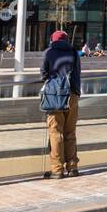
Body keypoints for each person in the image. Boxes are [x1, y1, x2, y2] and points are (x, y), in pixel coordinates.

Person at [40, 29, 82, 178]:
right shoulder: (74, 52)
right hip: (72, 94)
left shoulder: (49, 52)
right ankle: (72, 167)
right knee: (70, 132)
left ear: (53, 39)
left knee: (56, 132)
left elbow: (43, 73)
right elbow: (77, 74)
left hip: (54, 95)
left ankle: (57, 169)